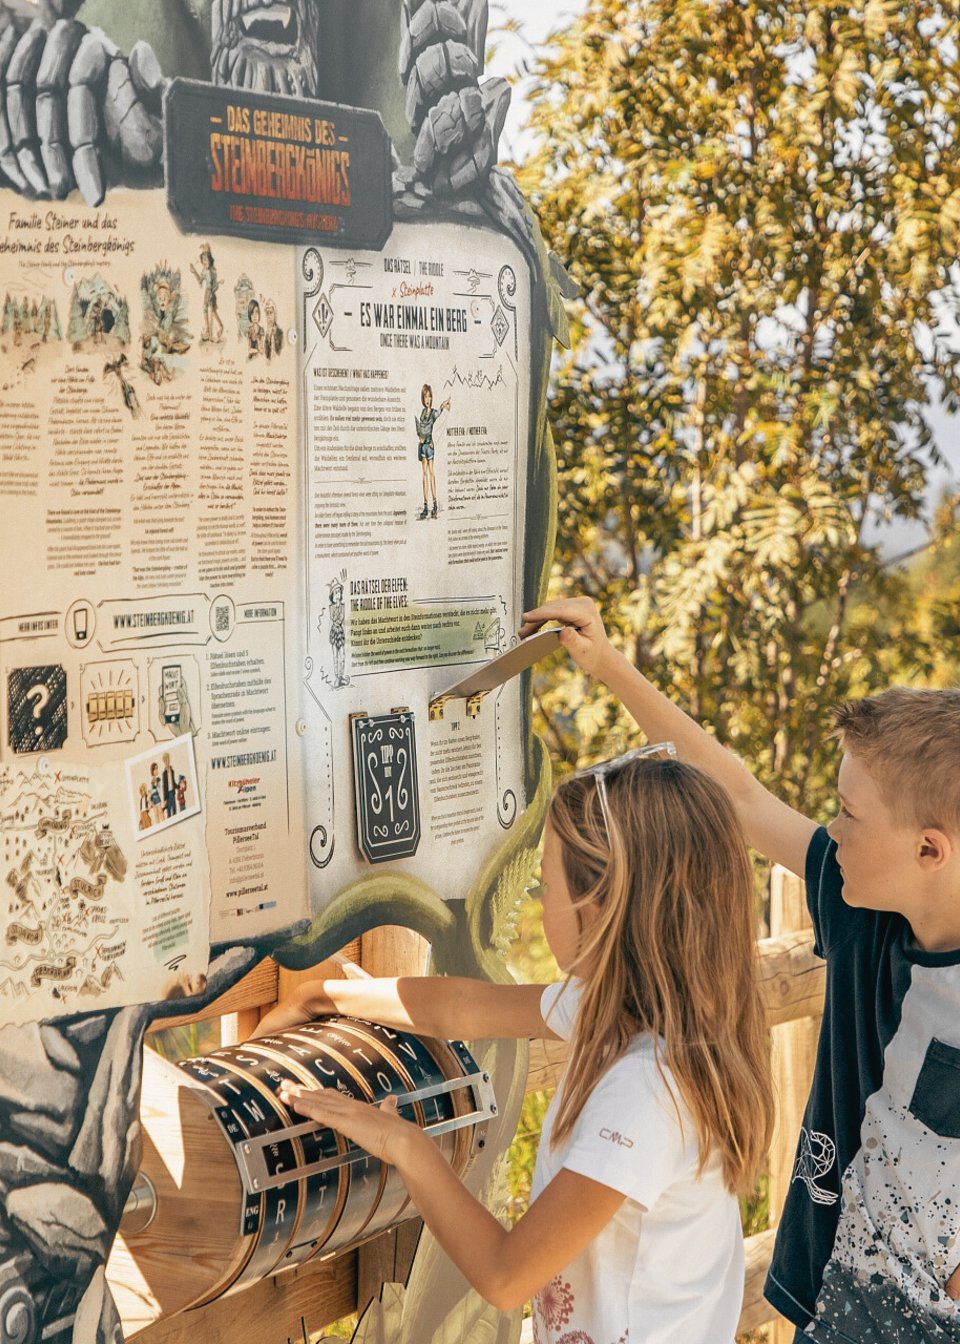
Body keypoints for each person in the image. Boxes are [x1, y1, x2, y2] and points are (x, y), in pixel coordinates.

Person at [519, 597, 960, 1344]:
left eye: (849, 814)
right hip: (830, 1300)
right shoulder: (861, 904)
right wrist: (608, 666)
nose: (830, 829)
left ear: (928, 850)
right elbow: (741, 793)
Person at [255, 748, 774, 1343]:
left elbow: (506, 1276)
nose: (538, 902)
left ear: (598, 908)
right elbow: (462, 1008)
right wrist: (320, 997)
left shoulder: (645, 1089)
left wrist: (404, 1143)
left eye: (547, 885)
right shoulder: (638, 1012)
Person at [414, 383, 451, 520]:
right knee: (424, 475)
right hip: (422, 446)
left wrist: (444, 405)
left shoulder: (433, 412)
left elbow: (439, 411)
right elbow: (421, 428)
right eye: (425, 397)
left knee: (431, 474)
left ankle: (434, 504)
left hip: (429, 446)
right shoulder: (423, 412)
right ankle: (425, 506)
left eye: (429, 396)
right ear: (422, 398)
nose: (427, 399)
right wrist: (420, 436)